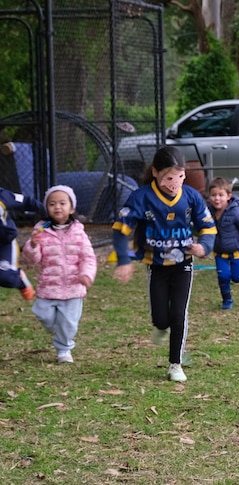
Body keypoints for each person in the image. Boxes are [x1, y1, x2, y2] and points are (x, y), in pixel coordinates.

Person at [112, 146, 217, 382]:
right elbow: (121, 231)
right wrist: (124, 260)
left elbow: (208, 227)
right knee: (161, 318)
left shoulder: (191, 197)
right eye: (169, 178)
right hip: (156, 265)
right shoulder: (141, 197)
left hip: (184, 264)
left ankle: (175, 364)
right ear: (156, 172)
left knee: (179, 313)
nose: (175, 183)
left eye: (180, 177)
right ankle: (160, 326)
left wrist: (204, 246)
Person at [21, 185, 97, 363]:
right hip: (49, 285)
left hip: (73, 287)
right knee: (42, 313)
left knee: (69, 323)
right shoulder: (41, 230)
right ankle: (58, 329)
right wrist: (32, 245)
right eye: (52, 204)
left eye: (62, 203)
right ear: (47, 208)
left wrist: (86, 274)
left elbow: (88, 257)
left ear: (71, 208)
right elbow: (33, 259)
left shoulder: (79, 232)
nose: (57, 207)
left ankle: (64, 350)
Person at [208, 177, 239, 310]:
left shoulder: (236, 212)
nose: (217, 199)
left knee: (238, 278)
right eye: (213, 195)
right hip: (219, 252)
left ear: (228, 196)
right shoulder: (208, 212)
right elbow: (203, 227)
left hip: (236, 252)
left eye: (220, 195)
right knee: (223, 276)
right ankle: (227, 299)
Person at [0, 186, 42, 301]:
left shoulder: (3, 196)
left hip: (4, 244)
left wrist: (47, 211)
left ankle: (19, 280)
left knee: (7, 278)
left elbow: (26, 201)